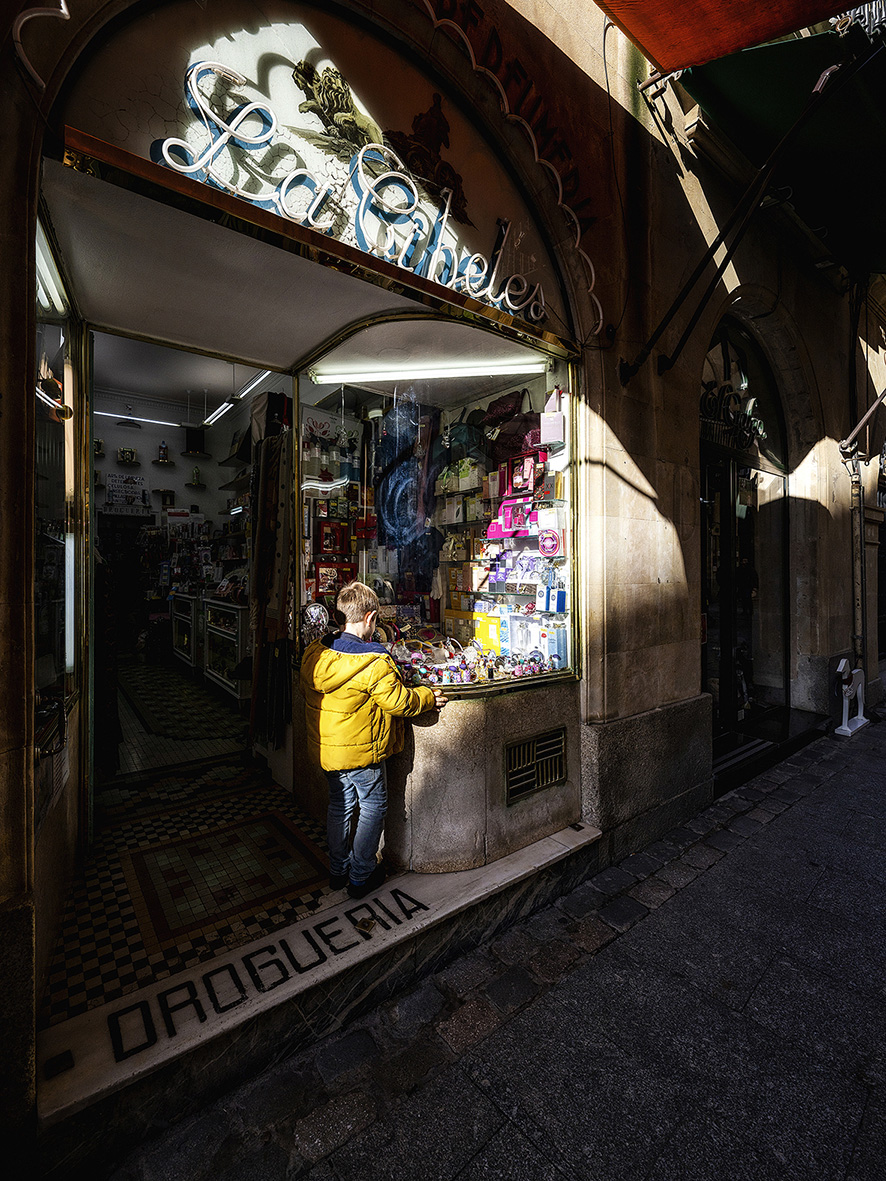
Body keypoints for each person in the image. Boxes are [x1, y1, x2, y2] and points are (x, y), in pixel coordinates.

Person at [300, 581, 447, 899]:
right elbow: (400, 702)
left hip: (327, 748)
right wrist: (428, 696)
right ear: (369, 618)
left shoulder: (317, 652)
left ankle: (338, 871)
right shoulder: (373, 661)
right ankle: (361, 875)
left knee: (340, 803)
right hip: (361, 752)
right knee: (372, 806)